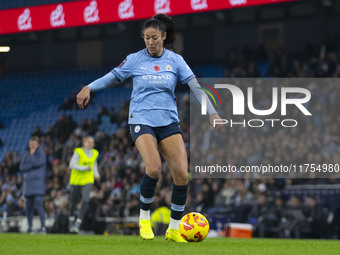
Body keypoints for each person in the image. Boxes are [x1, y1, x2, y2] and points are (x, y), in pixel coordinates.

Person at [76, 14, 220, 242]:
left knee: (182, 175)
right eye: (146, 38)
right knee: (153, 169)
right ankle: (144, 219)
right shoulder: (134, 59)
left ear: (163, 36)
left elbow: (195, 86)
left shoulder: (176, 60)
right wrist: (89, 87)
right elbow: (111, 77)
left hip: (169, 122)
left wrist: (211, 112)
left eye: (154, 37)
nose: (150, 42)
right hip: (141, 120)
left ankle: (174, 229)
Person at [68, 136, 100, 233]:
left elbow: (94, 164)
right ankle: (71, 219)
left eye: (92, 142)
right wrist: (85, 168)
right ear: (84, 143)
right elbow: (71, 165)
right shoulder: (78, 152)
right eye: (89, 142)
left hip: (88, 180)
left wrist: (96, 174)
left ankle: (78, 222)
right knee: (73, 202)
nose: (91, 144)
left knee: (85, 200)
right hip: (76, 180)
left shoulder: (95, 153)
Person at [19, 136, 46, 233]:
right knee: (28, 207)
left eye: (34, 144)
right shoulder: (26, 153)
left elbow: (37, 163)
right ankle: (30, 227)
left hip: (37, 185)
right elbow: (21, 167)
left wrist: (31, 155)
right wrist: (30, 162)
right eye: (31, 144)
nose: (32, 146)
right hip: (28, 185)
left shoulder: (41, 154)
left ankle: (43, 227)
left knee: (39, 206)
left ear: (38, 144)